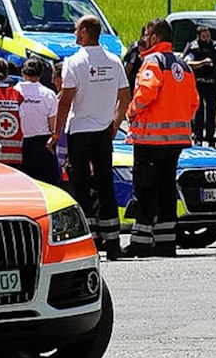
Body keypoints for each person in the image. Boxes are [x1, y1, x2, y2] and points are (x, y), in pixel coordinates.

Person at [56, 14, 130, 256]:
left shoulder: (74, 62)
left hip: (80, 131)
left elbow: (65, 101)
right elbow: (125, 97)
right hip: (103, 132)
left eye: (77, 29)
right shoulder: (114, 61)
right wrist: (115, 124)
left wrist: (56, 134)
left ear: (86, 31)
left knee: (82, 186)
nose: (75, 33)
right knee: (105, 185)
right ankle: (113, 243)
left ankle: (90, 241)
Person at [125, 18, 196, 257]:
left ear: (154, 37)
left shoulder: (152, 61)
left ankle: (141, 243)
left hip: (150, 139)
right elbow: (194, 102)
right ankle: (166, 243)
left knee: (145, 189)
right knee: (167, 190)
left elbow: (146, 92)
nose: (143, 39)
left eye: (146, 35)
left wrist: (131, 111)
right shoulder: (183, 65)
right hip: (177, 140)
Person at [14, 57, 61, 184]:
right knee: (46, 185)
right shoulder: (48, 94)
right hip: (43, 144)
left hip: (18, 144)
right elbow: (53, 125)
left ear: (22, 72)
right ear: (40, 74)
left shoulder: (13, 93)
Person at [183, 24, 216, 148]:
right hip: (198, 84)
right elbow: (187, 63)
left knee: (211, 112)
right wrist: (202, 63)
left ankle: (211, 138)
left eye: (208, 35)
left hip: (213, 84)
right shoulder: (193, 47)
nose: (207, 38)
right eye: (204, 36)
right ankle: (198, 138)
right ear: (198, 36)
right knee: (199, 111)